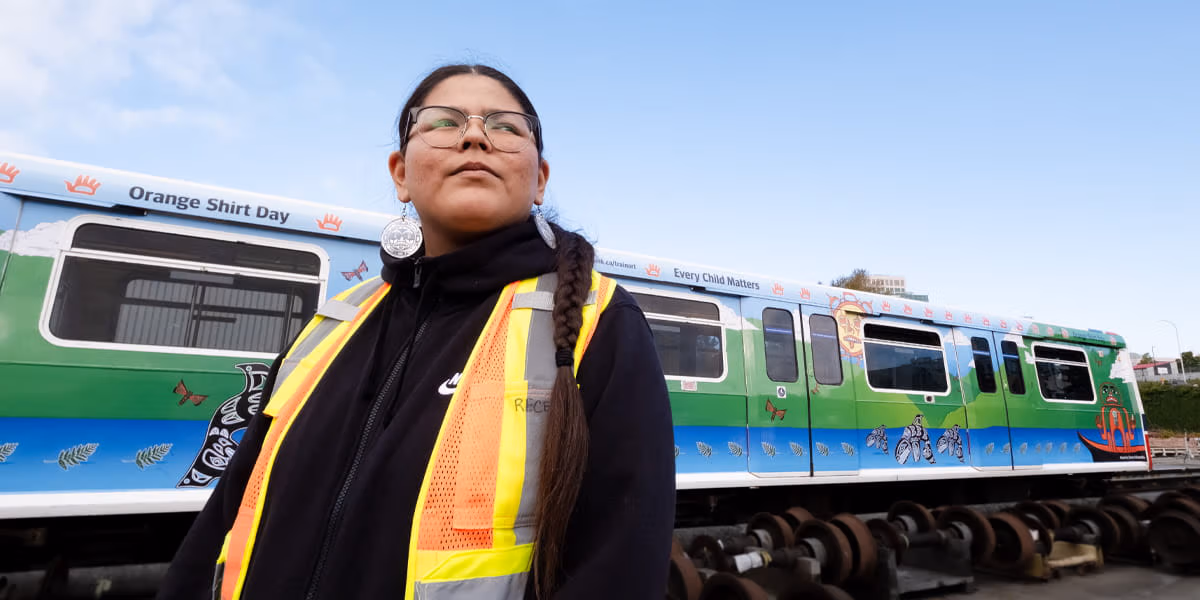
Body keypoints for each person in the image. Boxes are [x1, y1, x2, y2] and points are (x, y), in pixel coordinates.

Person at [158, 64, 675, 599]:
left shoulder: (601, 321)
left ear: (539, 178)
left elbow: (621, 566)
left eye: (505, 126)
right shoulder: (334, 323)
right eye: (444, 122)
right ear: (400, 173)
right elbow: (225, 517)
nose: (475, 135)